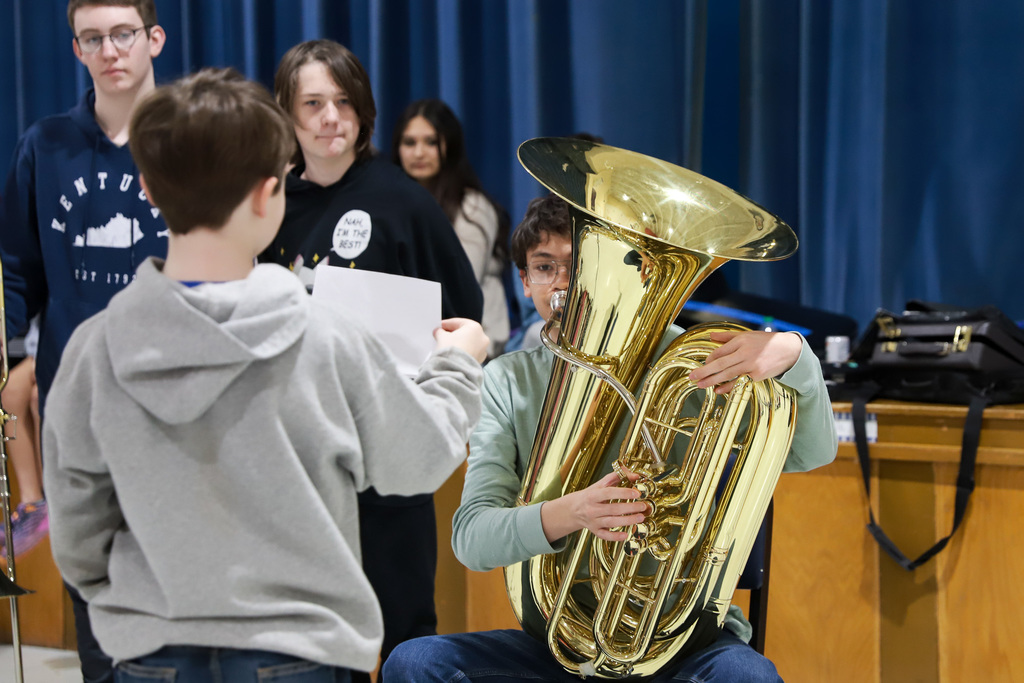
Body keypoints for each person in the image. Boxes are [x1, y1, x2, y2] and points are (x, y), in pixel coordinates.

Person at [43, 67, 489, 683]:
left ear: (147, 189)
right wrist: (458, 364)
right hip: (301, 654)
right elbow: (416, 461)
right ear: (267, 193)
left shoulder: (92, 351)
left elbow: (76, 533)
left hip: (148, 655)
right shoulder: (325, 336)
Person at [382, 193, 839, 682]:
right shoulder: (506, 381)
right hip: (563, 643)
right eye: (543, 266)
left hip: (682, 641)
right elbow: (472, 539)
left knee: (749, 679)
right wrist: (573, 512)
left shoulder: (686, 358)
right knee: (414, 664)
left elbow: (811, 453)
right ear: (524, 281)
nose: (560, 284)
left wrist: (795, 353)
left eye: (577, 266)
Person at [261, 39, 485, 678]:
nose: (330, 117)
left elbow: (464, 315)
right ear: (287, 113)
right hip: (298, 467)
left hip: (387, 462)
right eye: (313, 103)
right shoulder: (267, 202)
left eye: (343, 102)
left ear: (363, 112)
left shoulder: (403, 201)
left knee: (399, 640)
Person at [0, 1, 168, 679]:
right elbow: (15, 264)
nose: (110, 50)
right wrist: (17, 357)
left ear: (153, 38)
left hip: (170, 402)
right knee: (89, 577)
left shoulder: (189, 136)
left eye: (123, 34)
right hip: (76, 404)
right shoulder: (45, 144)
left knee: (167, 576)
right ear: (76, 50)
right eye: (92, 38)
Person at [391, 99, 511, 358]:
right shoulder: (388, 204)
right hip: (410, 341)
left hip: (472, 347)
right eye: (409, 142)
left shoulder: (472, 208)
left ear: (451, 146)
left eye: (431, 142)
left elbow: (459, 290)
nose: (419, 152)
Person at [0, 318, 48, 559]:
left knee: (41, 396)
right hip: (40, 346)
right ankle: (33, 503)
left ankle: (51, 498)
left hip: (70, 346)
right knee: (10, 389)